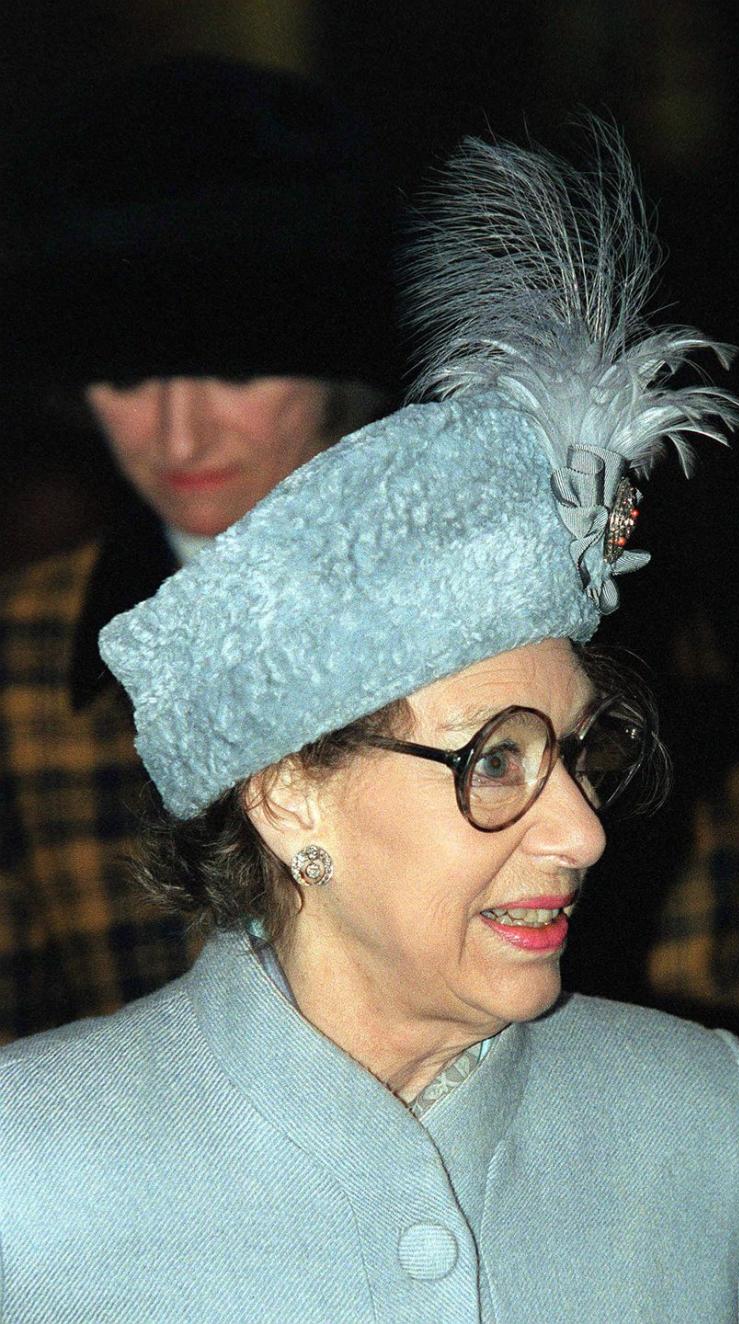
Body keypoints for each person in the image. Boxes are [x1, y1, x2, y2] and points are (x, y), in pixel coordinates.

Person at [0, 125, 739, 1321]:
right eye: (495, 760)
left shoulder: (702, 1121)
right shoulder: (29, 1171)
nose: (583, 833)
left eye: (585, 752)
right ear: (286, 793)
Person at [0, 57, 395, 1040]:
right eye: (129, 377)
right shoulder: (19, 661)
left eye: (232, 367)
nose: (179, 438)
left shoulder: (540, 607)